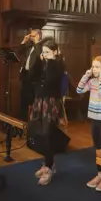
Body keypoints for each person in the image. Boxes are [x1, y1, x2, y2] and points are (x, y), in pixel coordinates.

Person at [76, 56, 101, 192]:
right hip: (94, 118)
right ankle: (100, 174)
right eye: (93, 67)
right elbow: (79, 90)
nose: (94, 69)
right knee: (97, 148)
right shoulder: (91, 81)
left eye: (97, 67)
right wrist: (86, 75)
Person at [32, 40, 65, 186]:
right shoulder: (44, 63)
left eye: (48, 52)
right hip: (40, 100)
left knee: (48, 133)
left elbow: (52, 79)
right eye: (44, 52)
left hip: (51, 102)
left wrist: (50, 60)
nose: (45, 55)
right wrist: (39, 62)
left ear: (56, 51)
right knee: (41, 133)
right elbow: (32, 76)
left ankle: (50, 167)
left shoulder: (58, 64)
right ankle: (47, 164)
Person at [19, 29, 43, 121]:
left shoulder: (42, 45)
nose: (30, 37)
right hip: (26, 76)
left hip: (35, 79)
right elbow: (20, 51)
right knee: (23, 102)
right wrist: (24, 41)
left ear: (38, 36)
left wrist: (36, 42)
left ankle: (33, 125)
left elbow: (38, 56)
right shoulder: (30, 45)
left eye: (32, 36)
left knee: (35, 103)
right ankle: (22, 124)